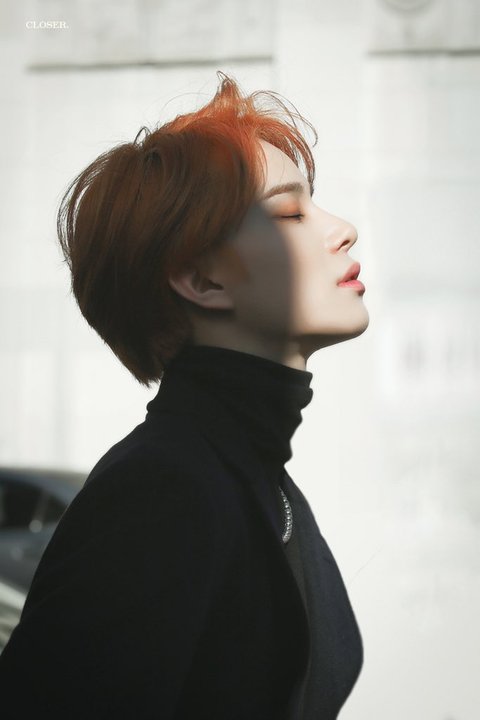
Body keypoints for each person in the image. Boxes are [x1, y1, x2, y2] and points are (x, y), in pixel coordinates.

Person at [0, 72, 369, 719]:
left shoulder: (255, 481)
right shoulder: (162, 490)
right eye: (290, 213)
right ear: (201, 280)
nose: (344, 229)